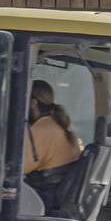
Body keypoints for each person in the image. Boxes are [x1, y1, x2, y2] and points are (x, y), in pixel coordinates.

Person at [23, 80, 83, 212]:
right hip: (57, 194)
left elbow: (21, 167)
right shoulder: (59, 124)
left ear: (33, 103)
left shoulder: (40, 130)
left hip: (44, 197)